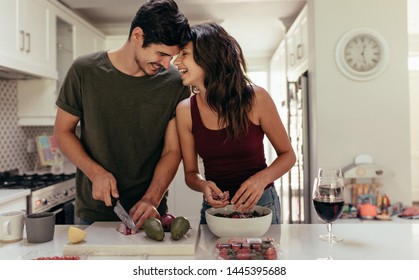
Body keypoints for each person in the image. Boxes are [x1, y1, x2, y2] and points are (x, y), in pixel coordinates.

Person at [53, 0, 191, 231]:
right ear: (138, 35)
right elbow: (62, 131)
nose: (167, 65)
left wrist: (152, 198)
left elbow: (172, 150)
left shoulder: (175, 83)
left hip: (150, 212)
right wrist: (95, 173)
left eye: (172, 57)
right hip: (94, 213)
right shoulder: (84, 70)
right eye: (161, 54)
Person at [174, 22, 296, 224]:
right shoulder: (185, 111)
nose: (176, 62)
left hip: (262, 205)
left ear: (208, 57)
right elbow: (190, 173)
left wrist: (261, 180)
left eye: (184, 54)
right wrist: (204, 185)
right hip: (214, 211)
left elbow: (288, 155)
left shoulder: (256, 99)